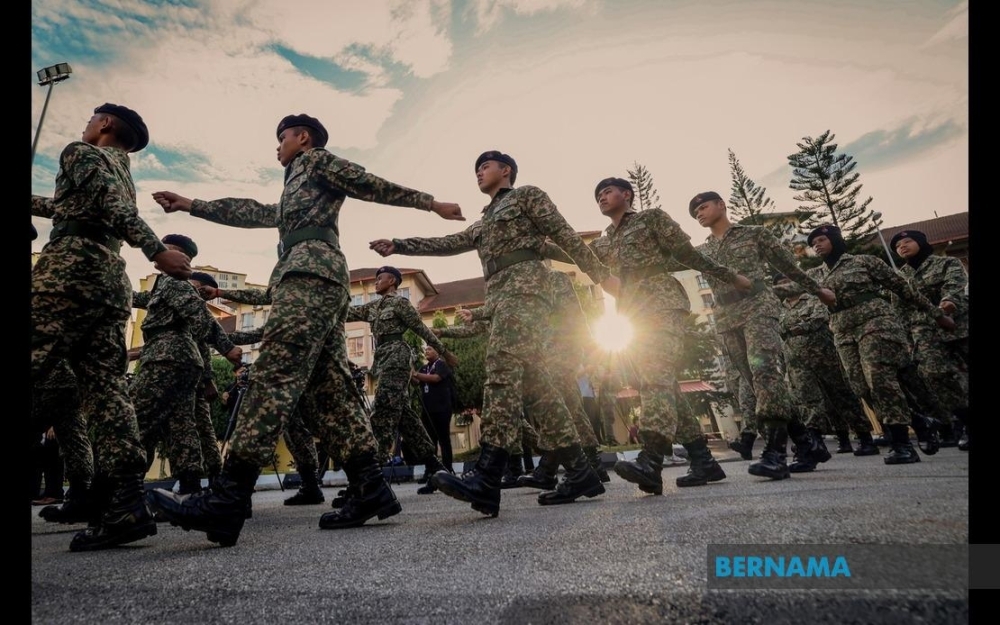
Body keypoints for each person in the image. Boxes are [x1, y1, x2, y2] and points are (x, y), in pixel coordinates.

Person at [146, 113, 464, 546]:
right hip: (313, 278)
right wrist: (192, 204)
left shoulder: (316, 162)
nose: (277, 147)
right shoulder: (295, 186)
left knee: (274, 372)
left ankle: (227, 500)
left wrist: (431, 203)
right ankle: (371, 487)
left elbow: (368, 181)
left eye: (282, 138)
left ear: (303, 138)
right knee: (327, 388)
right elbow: (253, 211)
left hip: (310, 276)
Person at [370, 150, 618, 515]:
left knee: (500, 369)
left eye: (484, 166)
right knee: (536, 386)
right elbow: (451, 243)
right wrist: (401, 245)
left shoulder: (526, 196)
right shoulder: (485, 220)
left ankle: (486, 478)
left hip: (527, 290)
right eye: (476, 169)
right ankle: (582, 471)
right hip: (502, 297)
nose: (478, 173)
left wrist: (601, 275)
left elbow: (564, 234)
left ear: (507, 170)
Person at [31, 103, 193, 552]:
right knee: (107, 390)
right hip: (107, 282)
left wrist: (155, 249)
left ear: (104, 125)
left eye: (89, 118)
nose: (84, 124)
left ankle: (108, 497)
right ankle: (124, 503)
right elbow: (79, 205)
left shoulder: (79, 154)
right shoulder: (122, 170)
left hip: (67, 275)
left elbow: (104, 201)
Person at [545, 178, 745, 494]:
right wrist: (535, 242)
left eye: (607, 191)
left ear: (627, 195)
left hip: (663, 303)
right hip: (633, 316)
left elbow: (687, 254)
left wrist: (731, 276)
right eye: (597, 195)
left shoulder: (652, 218)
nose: (601, 196)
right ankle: (703, 459)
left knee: (655, 376)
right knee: (659, 382)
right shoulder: (605, 240)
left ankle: (651, 460)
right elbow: (574, 253)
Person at [689, 191, 836, 480]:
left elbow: (787, 266)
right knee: (759, 385)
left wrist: (817, 290)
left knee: (765, 373)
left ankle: (775, 454)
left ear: (721, 205)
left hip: (758, 307)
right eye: (695, 214)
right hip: (726, 317)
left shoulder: (754, 234)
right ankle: (806, 444)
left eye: (703, 207)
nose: (700, 214)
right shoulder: (702, 251)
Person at [781, 225, 956, 465]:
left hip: (875, 322)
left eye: (821, 240)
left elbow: (904, 289)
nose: (817, 245)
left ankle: (902, 444)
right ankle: (920, 421)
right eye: (813, 244)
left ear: (834, 239)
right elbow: (789, 287)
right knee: (860, 386)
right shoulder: (817, 275)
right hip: (843, 331)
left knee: (878, 378)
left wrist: (937, 314)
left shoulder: (864, 261)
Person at [130, 235, 243, 498]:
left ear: (178, 253)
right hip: (179, 359)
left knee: (135, 422)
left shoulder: (173, 281)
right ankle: (191, 490)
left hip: (166, 359)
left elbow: (201, 316)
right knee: (182, 426)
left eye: (164, 248)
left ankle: (121, 493)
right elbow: (139, 298)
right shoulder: (165, 284)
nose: (157, 251)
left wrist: (226, 350)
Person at [346, 266, 458, 495]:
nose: (376, 283)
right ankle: (436, 469)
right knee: (406, 418)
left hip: (397, 357)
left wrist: (444, 352)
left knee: (383, 411)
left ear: (393, 281)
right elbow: (346, 313)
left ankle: (370, 482)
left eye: (380, 279)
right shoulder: (373, 307)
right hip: (383, 359)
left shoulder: (401, 304)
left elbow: (421, 330)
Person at [774, 276, 879, 464]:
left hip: (824, 355)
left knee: (841, 395)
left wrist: (795, 328)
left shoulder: (814, 298)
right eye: (780, 283)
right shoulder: (779, 308)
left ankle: (865, 437)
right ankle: (816, 442)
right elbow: (776, 331)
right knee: (806, 400)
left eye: (787, 281)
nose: (784, 286)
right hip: (795, 360)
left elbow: (819, 319)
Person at [890, 230, 970, 451]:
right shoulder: (901, 277)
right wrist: (906, 338)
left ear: (921, 243)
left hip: (958, 325)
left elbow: (954, 286)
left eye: (907, 242)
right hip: (925, 334)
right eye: (897, 246)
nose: (902, 247)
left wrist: (947, 304)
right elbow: (899, 310)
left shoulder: (946, 263)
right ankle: (962, 422)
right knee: (935, 376)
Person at [412, 344, 457, 492]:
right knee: (429, 441)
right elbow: (417, 381)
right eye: (425, 349)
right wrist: (410, 374)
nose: (426, 351)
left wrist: (416, 375)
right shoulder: (424, 368)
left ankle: (448, 468)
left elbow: (436, 379)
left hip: (442, 408)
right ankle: (430, 470)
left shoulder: (441, 365)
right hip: (427, 410)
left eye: (430, 349)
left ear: (437, 351)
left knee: (443, 439)